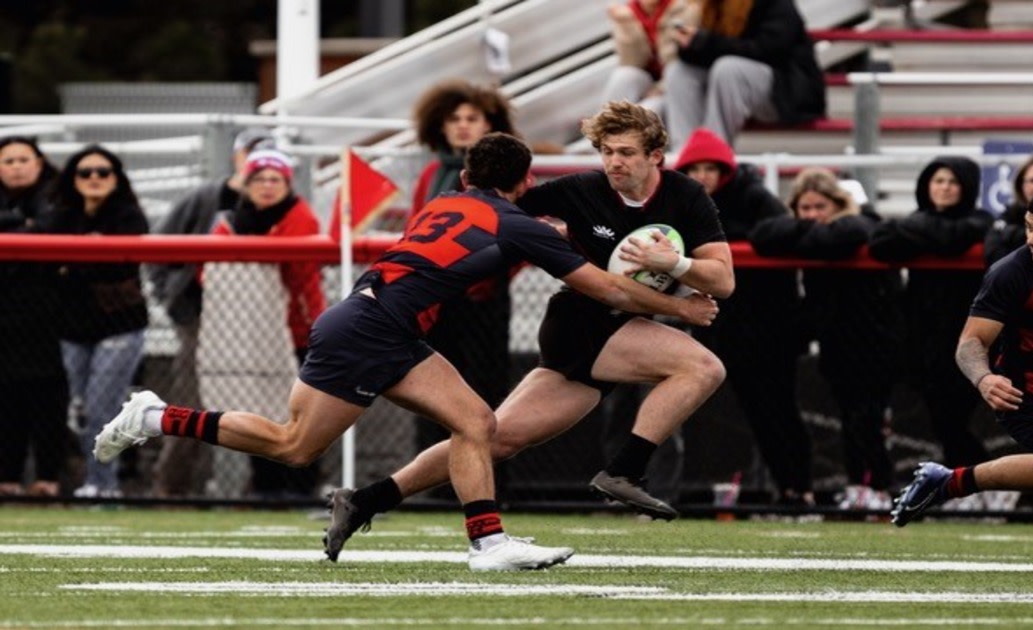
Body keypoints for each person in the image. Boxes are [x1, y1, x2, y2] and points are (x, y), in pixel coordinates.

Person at [94, 131, 720, 571]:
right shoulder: (518, 222)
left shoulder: (444, 200)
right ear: (525, 182)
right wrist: (684, 307)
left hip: (369, 321)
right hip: (374, 331)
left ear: (467, 177)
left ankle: (486, 543)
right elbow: (606, 285)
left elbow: (480, 244)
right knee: (295, 446)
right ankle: (155, 416)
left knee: (472, 423)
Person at [322, 101, 732, 562]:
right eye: (606, 152)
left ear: (656, 155)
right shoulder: (580, 190)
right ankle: (625, 471)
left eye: (627, 152)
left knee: (496, 438)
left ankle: (363, 501)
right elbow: (495, 204)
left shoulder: (687, 196)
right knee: (701, 367)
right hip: (580, 323)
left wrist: (673, 264)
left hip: (623, 328)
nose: (614, 162)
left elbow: (723, 281)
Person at [892, 182, 1033, 526]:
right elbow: (970, 344)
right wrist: (984, 379)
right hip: (1030, 397)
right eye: (1029, 227)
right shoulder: (1012, 273)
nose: (1031, 239)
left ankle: (948, 482)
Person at [673, 127, 812, 505]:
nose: (702, 176)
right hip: (725, 328)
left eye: (709, 168)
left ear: (724, 171)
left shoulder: (752, 196)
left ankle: (800, 487)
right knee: (751, 412)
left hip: (770, 327)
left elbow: (778, 231)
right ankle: (782, 489)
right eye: (695, 169)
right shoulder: (685, 204)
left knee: (779, 408)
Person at [751, 168, 904, 510]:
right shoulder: (813, 229)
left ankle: (883, 487)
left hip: (876, 342)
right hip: (837, 345)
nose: (812, 215)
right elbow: (764, 235)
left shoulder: (862, 223)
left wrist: (801, 233)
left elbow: (844, 236)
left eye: (820, 206)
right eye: (804, 209)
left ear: (839, 203)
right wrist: (806, 230)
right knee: (851, 419)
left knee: (868, 420)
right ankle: (861, 487)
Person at [147, 126, 274, 497]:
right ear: (237, 157)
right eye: (252, 153)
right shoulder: (207, 197)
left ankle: (260, 491)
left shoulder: (278, 202)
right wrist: (173, 301)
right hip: (201, 317)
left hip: (258, 320)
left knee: (263, 404)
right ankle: (172, 489)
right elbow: (161, 247)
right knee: (192, 403)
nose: (260, 167)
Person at [207, 148, 327, 499]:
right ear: (246, 183)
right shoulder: (231, 220)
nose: (268, 186)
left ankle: (302, 488)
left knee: (299, 414)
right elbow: (208, 271)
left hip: (297, 331)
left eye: (276, 179)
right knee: (257, 406)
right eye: (259, 178)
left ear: (288, 184)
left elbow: (297, 272)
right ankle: (266, 485)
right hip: (250, 332)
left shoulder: (299, 216)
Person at [410, 79, 516, 472]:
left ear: (491, 123)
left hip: (482, 299)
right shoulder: (432, 173)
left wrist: (484, 273)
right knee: (428, 392)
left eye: (472, 118)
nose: (463, 126)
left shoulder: (508, 173)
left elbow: (522, 232)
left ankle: (491, 482)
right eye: (455, 118)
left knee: (487, 394)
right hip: (435, 301)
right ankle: (430, 482)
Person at [869, 156, 994, 469]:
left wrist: (915, 231)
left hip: (968, 332)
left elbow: (952, 239)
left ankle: (982, 480)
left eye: (953, 182)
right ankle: (970, 483)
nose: (945, 188)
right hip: (922, 337)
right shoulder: (916, 220)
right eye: (938, 181)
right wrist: (923, 230)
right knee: (940, 416)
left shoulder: (980, 220)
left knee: (958, 415)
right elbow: (882, 244)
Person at [50, 145, 149, 498]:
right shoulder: (61, 215)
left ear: (116, 178)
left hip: (120, 325)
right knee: (77, 408)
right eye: (85, 172)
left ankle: (104, 485)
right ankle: (96, 479)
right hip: (72, 328)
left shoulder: (128, 215)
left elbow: (119, 265)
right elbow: (49, 267)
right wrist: (87, 255)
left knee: (101, 405)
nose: (94, 178)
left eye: (103, 172)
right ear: (72, 178)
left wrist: (73, 263)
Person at [0, 136, 69, 497]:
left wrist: (23, 226)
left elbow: (50, 226)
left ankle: (48, 479)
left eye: (23, 159)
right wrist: (23, 222)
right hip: (5, 320)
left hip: (50, 320)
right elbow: (35, 227)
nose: (15, 167)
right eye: (8, 161)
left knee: (48, 403)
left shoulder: (58, 195)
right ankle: (7, 479)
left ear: (39, 163)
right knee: (6, 401)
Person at [663, 0, 825, 150]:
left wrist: (708, 42)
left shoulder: (775, 3)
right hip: (735, 87)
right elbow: (710, 51)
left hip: (786, 91)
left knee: (728, 69)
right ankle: (686, 155)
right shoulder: (711, 5)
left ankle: (714, 156)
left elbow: (770, 50)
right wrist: (690, 45)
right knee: (679, 72)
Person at [601, 0, 698, 111]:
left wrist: (660, 88)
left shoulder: (682, 8)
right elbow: (632, 63)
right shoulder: (627, 13)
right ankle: (603, 124)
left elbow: (679, 62)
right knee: (624, 75)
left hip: (676, 82)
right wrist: (627, 23)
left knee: (649, 108)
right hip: (649, 82)